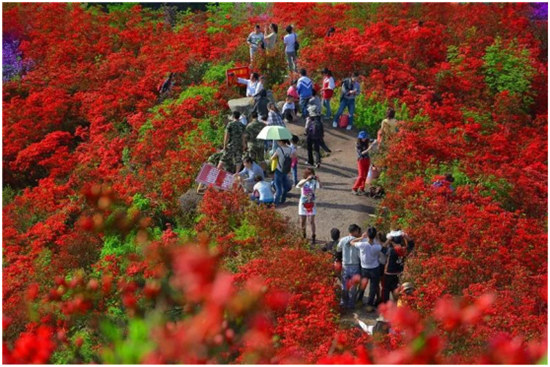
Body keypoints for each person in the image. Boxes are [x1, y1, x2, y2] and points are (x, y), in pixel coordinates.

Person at [350, 227, 385, 312]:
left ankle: (359, 300)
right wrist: (377, 237)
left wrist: (361, 237)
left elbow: (351, 242)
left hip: (364, 268)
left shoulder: (362, 244)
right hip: (374, 268)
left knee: (362, 285)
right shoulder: (377, 247)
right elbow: (383, 246)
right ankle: (369, 305)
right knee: (373, 288)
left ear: (368, 235)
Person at [382, 231, 415, 303]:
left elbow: (383, 248)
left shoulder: (390, 250)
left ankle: (385, 306)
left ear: (392, 241)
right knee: (396, 290)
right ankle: (396, 304)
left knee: (385, 290)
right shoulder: (404, 250)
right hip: (398, 273)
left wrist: (388, 240)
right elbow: (412, 244)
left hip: (388, 274)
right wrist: (405, 236)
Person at [336, 224, 362, 309]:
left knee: (344, 286)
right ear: (354, 231)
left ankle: (343, 302)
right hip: (355, 265)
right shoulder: (359, 241)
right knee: (353, 287)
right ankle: (351, 304)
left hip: (345, 265)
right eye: (357, 231)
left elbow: (338, 250)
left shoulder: (342, 240)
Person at [296, 167, 321, 244]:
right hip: (303, 204)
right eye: (309, 174)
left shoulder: (314, 182)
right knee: (302, 221)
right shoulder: (303, 181)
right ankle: (304, 236)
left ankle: (313, 236)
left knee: (311, 221)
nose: (311, 175)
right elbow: (299, 186)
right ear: (306, 174)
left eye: (312, 174)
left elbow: (320, 186)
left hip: (311, 203)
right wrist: (306, 180)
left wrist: (318, 180)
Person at [270, 140, 293, 205]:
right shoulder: (290, 149)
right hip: (285, 170)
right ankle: (283, 200)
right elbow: (291, 157)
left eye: (278, 141)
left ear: (282, 142)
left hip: (279, 170)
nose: (277, 142)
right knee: (285, 186)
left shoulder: (279, 149)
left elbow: (272, 158)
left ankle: (276, 202)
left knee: (278, 188)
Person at [352, 131, 370, 195]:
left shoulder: (366, 141)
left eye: (365, 137)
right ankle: (354, 188)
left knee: (365, 175)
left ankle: (362, 188)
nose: (364, 139)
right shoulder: (358, 144)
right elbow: (361, 153)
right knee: (361, 176)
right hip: (361, 160)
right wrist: (369, 148)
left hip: (367, 159)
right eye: (363, 138)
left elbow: (375, 140)